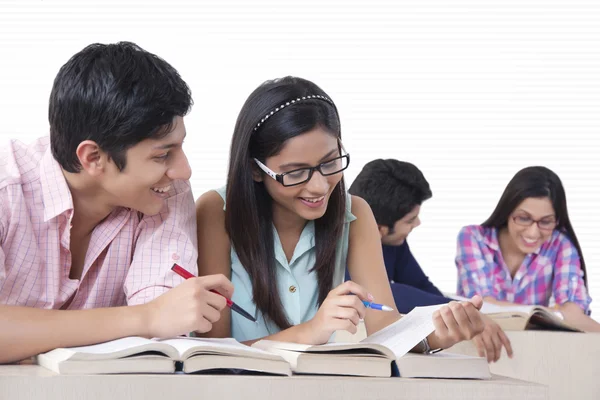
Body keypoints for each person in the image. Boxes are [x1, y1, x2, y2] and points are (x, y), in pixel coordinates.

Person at [196, 76, 485, 353]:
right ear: (255, 169)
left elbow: (384, 327)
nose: (320, 185)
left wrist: (437, 335)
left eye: (330, 162)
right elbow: (212, 350)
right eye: (296, 172)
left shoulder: (355, 213)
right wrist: (311, 331)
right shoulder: (216, 211)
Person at [0, 42, 233, 364]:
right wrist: (145, 318)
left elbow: (162, 342)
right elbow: (157, 318)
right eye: (162, 154)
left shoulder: (167, 191)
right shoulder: (6, 188)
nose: (184, 170)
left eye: (179, 147)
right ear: (93, 158)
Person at [348, 159, 512, 362]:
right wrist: (460, 309)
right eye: (410, 220)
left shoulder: (394, 242)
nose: (417, 223)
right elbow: (390, 294)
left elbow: (421, 286)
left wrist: (461, 310)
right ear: (379, 229)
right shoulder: (346, 246)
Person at [456, 166, 600, 332]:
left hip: (536, 347)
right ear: (507, 211)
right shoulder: (473, 237)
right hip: (482, 344)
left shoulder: (561, 245)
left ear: (557, 220)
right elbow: (482, 306)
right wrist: (551, 313)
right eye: (523, 218)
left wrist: (562, 314)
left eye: (545, 222)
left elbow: (574, 313)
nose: (533, 232)